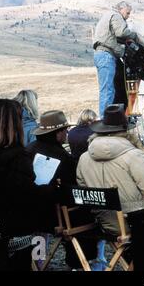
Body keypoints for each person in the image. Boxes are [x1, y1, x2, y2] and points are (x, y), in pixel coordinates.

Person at [76, 104, 144, 271]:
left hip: (107, 222)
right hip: (135, 224)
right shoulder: (134, 155)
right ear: (126, 130)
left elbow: (84, 189)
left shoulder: (84, 158)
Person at [0, 99, 59, 270]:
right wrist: (52, 189)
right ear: (14, 124)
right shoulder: (17, 157)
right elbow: (27, 195)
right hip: (15, 234)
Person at [26, 110, 98, 269]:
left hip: (30, 212)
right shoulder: (62, 156)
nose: (67, 132)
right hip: (55, 216)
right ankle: (78, 262)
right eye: (65, 129)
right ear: (57, 133)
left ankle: (37, 264)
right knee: (87, 216)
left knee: (39, 234)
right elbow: (71, 188)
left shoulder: (29, 150)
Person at [93, 1, 138, 118]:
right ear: (121, 9)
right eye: (127, 13)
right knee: (107, 90)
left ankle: (108, 118)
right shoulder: (116, 16)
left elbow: (114, 37)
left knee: (109, 89)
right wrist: (134, 35)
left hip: (103, 54)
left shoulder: (108, 16)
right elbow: (122, 32)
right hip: (106, 55)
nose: (128, 16)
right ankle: (105, 119)